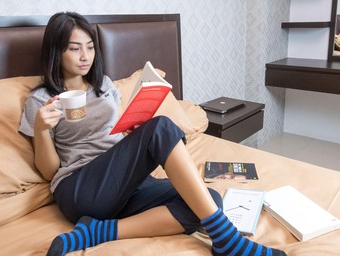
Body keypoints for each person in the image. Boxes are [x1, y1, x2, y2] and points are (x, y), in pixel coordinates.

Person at [19, 12, 286, 256]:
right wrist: (42, 130)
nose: (85, 56)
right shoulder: (41, 100)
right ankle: (228, 241)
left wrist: (132, 136)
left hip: (123, 184)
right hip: (80, 187)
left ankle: (94, 231)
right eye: (74, 49)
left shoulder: (104, 85)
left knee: (208, 201)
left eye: (90, 47)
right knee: (161, 127)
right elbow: (48, 171)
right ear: (57, 51)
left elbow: (110, 138)